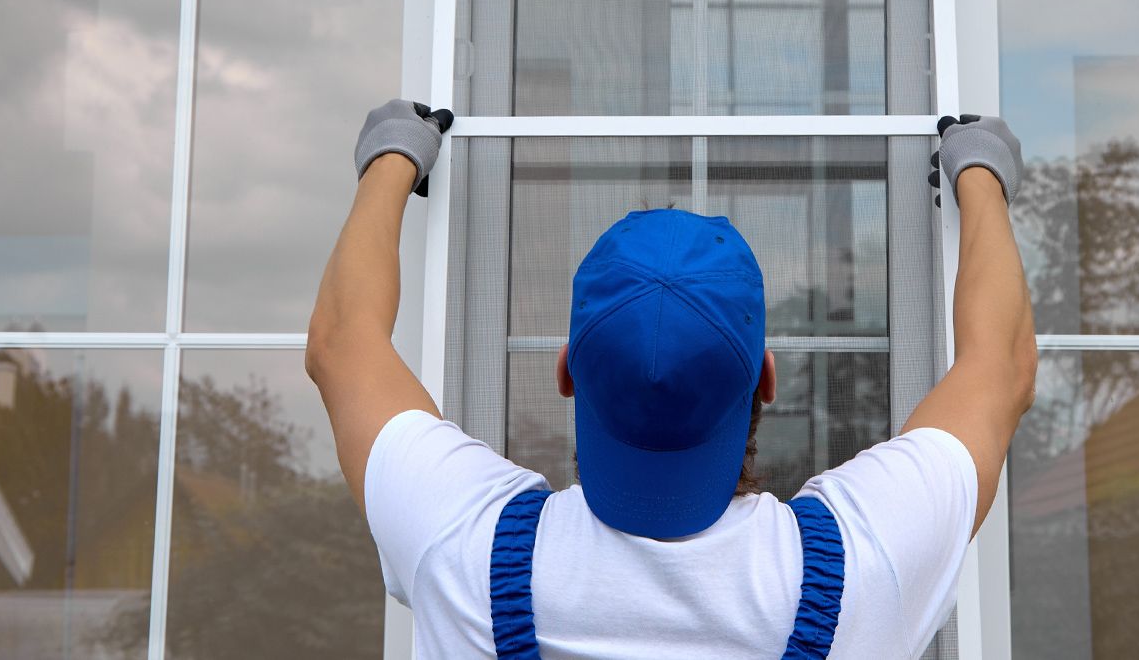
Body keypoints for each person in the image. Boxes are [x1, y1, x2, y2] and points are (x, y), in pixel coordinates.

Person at [307, 99, 1037, 658]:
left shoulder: (464, 544)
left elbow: (343, 345)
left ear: (567, 370)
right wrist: (977, 169)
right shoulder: (860, 567)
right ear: (767, 381)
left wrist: (395, 154)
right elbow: (997, 368)